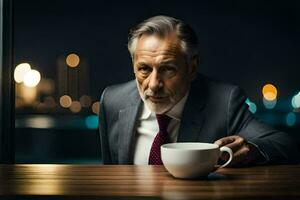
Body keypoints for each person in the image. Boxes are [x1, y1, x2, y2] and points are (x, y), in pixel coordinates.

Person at [99, 15, 299, 166]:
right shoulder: (112, 101)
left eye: (168, 69)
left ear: (192, 68)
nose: (153, 85)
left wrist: (252, 150)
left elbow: (285, 144)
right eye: (144, 69)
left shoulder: (224, 102)